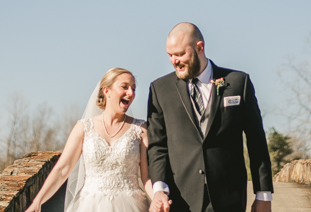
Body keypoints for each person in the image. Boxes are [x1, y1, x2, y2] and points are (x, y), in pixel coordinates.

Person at [147, 23, 273, 212]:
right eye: (170, 55)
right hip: (180, 200)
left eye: (180, 54)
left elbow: (256, 142)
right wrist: (159, 189)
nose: (174, 61)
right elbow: (158, 145)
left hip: (228, 198)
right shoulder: (160, 89)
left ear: (200, 47)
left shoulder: (238, 83)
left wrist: (263, 195)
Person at [24, 68, 152, 212]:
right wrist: (38, 201)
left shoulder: (140, 129)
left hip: (131, 206)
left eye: (133, 89)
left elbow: (146, 177)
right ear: (106, 90)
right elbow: (62, 169)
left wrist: (157, 199)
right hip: (89, 205)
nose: (131, 93)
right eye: (124, 87)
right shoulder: (84, 127)